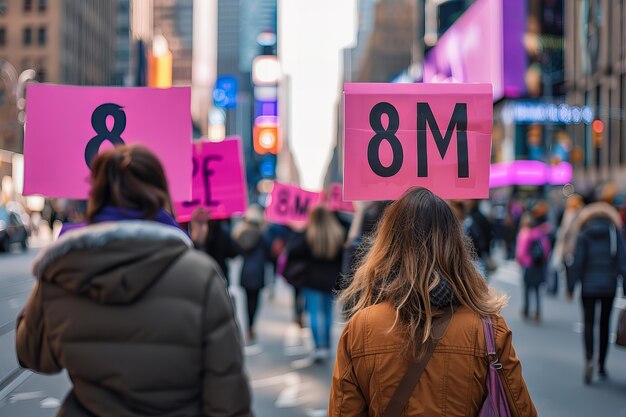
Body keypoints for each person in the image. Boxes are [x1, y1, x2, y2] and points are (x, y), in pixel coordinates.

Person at [16, 145, 253, 417]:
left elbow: (30, 353)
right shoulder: (201, 275)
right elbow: (227, 396)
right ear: (161, 195)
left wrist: (49, 270)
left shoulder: (61, 273)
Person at [329, 187, 536, 417]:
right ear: (456, 246)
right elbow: (520, 409)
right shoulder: (488, 329)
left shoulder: (360, 328)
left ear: (388, 243)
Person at [567, 199, 626, 384]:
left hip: (588, 286)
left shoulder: (584, 233)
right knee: (604, 324)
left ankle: (589, 359)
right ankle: (601, 364)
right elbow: (622, 260)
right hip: (609, 285)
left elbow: (578, 262)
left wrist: (571, 286)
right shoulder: (614, 233)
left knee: (589, 323)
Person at [288, 206, 345, 361]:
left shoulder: (308, 235)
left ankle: (318, 347)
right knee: (327, 314)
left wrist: (297, 231)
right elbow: (342, 258)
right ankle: (326, 346)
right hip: (331, 280)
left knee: (314, 313)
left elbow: (292, 252)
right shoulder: (337, 234)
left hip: (312, 280)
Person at [233, 205, 270, 344]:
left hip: (245, 273)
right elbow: (270, 253)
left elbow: (236, 250)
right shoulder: (262, 235)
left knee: (247, 301)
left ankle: (249, 326)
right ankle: (251, 326)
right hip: (259, 272)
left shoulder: (242, 233)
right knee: (255, 302)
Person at [190, 207, 241, 285]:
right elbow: (233, 252)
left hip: (204, 276)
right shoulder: (222, 230)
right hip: (218, 276)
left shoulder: (221, 231)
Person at [516, 212, 550, 322]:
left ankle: (526, 309)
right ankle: (538, 311)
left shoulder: (524, 233)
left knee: (526, 288)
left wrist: (520, 261)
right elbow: (546, 249)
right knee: (537, 289)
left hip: (527, 264)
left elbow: (520, 251)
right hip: (538, 265)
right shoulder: (539, 233)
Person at [549, 194, 584, 295]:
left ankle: (569, 289)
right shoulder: (583, 213)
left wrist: (559, 240)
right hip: (579, 245)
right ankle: (571, 288)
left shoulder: (570, 213)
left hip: (569, 245)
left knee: (568, 268)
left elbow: (565, 231)